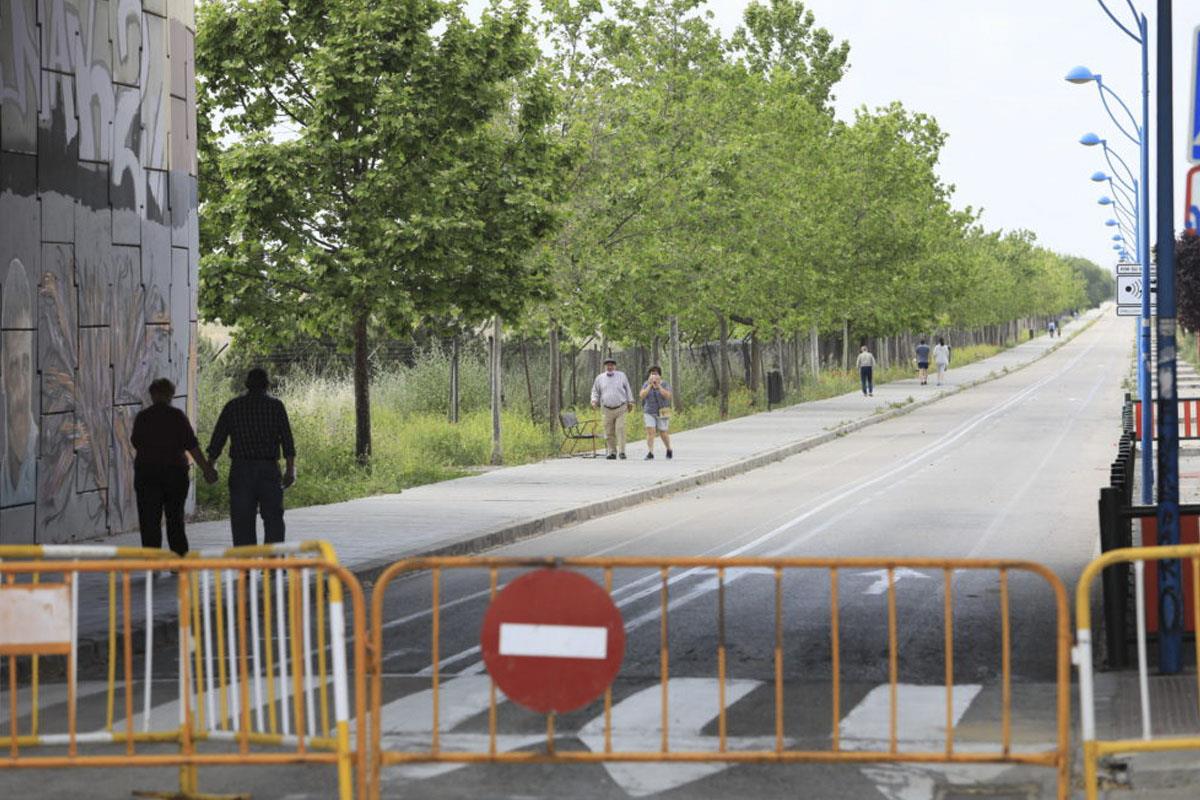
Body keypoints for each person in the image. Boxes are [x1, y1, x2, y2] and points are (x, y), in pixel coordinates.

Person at [207, 368, 296, 547]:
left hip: (241, 470)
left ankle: (246, 567)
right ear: (267, 385)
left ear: (247, 384)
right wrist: (290, 469)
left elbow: (218, 439)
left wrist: (210, 466)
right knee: (273, 519)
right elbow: (287, 440)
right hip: (268, 469)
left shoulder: (233, 406)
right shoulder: (276, 406)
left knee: (242, 521)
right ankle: (274, 564)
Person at [131, 378, 218, 555]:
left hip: (147, 474)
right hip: (175, 475)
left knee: (149, 520)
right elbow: (192, 446)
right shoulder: (177, 416)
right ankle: (178, 558)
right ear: (171, 395)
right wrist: (207, 469)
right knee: (175, 518)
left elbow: (136, 442)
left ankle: (152, 560)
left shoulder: (143, 417)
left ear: (152, 394)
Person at [590, 357, 634, 460]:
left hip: (621, 407)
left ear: (615, 366)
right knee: (608, 431)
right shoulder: (600, 378)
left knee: (620, 429)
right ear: (605, 367)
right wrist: (594, 400)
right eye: (607, 365)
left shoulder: (621, 376)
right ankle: (612, 452)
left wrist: (630, 401)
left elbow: (628, 388)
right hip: (606, 409)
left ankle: (622, 452)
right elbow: (595, 391)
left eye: (611, 365)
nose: (609, 367)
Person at [639, 366, 673, 460]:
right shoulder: (646, 384)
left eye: (656, 373)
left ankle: (669, 448)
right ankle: (650, 452)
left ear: (659, 375)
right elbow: (641, 395)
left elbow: (668, 396)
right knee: (651, 431)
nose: (654, 375)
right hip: (649, 411)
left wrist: (659, 386)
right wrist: (650, 386)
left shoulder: (664, 384)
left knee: (663, 432)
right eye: (652, 373)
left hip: (663, 411)